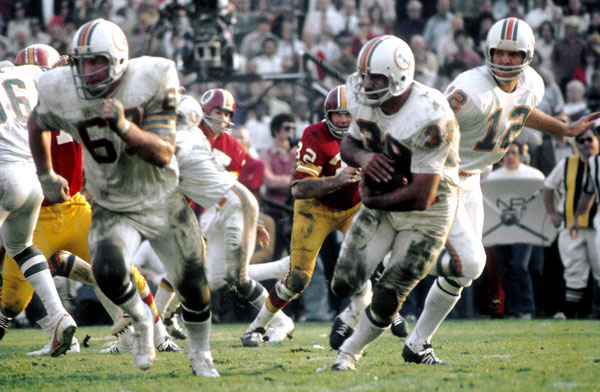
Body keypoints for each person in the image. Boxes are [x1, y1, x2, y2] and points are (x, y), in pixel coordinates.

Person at [334, 17, 600, 365]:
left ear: (528, 56)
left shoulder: (531, 83)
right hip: (444, 179)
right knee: (472, 261)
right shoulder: (468, 89)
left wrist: (563, 129)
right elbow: (427, 122)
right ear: (487, 52)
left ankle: (418, 343)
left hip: (473, 177)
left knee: (463, 275)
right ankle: (397, 265)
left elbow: (520, 111)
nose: (504, 60)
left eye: (512, 54)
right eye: (498, 53)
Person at [27, 19, 218, 377]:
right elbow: (37, 122)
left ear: (118, 59)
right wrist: (45, 174)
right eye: (81, 61)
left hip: (161, 198)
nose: (87, 71)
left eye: (96, 61)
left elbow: (163, 153)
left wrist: (124, 126)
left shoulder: (153, 77)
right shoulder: (60, 87)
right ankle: (142, 319)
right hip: (112, 203)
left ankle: (200, 354)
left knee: (195, 287)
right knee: (108, 271)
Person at [328, 35, 460, 371]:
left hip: (429, 210)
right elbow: (349, 147)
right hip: (385, 197)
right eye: (364, 75)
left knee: (389, 296)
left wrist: (371, 197)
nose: (366, 84)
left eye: (376, 78)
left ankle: (349, 352)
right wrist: (365, 157)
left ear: (399, 77)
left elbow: (422, 195)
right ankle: (358, 310)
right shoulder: (361, 97)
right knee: (344, 282)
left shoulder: (431, 113)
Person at [153, 92, 295, 343]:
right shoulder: (191, 135)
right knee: (212, 276)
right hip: (186, 207)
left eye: (227, 114)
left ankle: (161, 320)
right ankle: (164, 318)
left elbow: (229, 190)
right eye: (218, 111)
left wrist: (255, 222)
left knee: (214, 273)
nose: (222, 117)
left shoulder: (234, 149)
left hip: (218, 213)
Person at [241, 85, 363, 346]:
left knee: (369, 261)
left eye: (348, 114)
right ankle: (256, 327)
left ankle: (374, 316)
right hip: (315, 208)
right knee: (297, 278)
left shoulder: (368, 131)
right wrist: (338, 180)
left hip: (352, 208)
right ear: (327, 115)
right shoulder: (315, 135)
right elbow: (298, 189)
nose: (343, 120)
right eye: (337, 114)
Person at [0, 45, 77, 358]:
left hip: (3, 171)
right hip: (31, 180)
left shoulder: (13, 75)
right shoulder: (37, 79)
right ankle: (59, 317)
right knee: (20, 246)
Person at [487, 142, 545, 319]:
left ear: (520, 155)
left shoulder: (534, 176)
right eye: (505, 154)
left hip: (524, 230)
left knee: (519, 264)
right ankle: (513, 309)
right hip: (500, 229)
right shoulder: (493, 178)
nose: (509, 157)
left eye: (513, 153)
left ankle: (526, 308)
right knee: (504, 267)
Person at [555, 128, 600, 318]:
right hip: (594, 221)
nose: (586, 144)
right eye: (581, 141)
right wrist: (575, 220)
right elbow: (588, 193)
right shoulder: (594, 163)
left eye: (590, 139)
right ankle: (572, 313)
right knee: (578, 268)